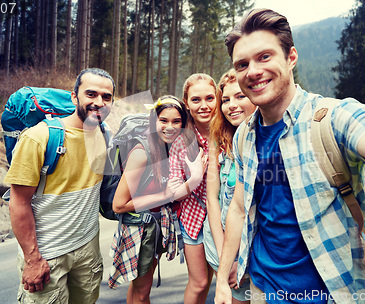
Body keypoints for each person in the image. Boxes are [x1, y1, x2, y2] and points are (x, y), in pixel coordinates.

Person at [214, 8, 365, 304]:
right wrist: (223, 279)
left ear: (291, 58)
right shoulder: (245, 136)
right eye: (242, 64)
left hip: (335, 294)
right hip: (264, 292)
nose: (252, 71)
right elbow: (239, 207)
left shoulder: (331, 119)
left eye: (264, 56)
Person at [5, 68, 115, 303]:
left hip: (88, 250)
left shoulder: (106, 136)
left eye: (106, 97)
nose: (99, 102)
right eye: (91, 94)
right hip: (48, 255)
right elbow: (19, 202)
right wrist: (32, 259)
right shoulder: (39, 137)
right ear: (74, 97)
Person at [109, 95, 202, 304]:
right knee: (143, 292)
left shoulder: (165, 147)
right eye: (164, 121)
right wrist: (164, 195)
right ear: (154, 120)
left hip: (153, 227)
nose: (170, 127)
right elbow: (119, 205)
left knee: (138, 287)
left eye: (176, 121)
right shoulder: (142, 153)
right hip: (140, 230)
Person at [204, 68, 256, 304]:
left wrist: (241, 258)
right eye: (225, 100)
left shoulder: (265, 141)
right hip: (220, 239)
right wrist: (226, 257)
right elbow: (212, 198)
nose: (231, 105)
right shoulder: (218, 138)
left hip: (253, 248)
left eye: (240, 96)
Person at [169, 73, 218, 304]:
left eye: (209, 98)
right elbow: (173, 192)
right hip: (194, 219)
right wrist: (195, 179)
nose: (204, 106)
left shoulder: (229, 133)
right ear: (186, 103)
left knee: (227, 280)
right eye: (196, 100)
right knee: (199, 282)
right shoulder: (182, 141)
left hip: (224, 217)